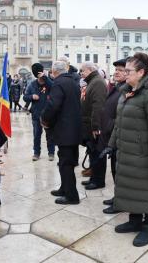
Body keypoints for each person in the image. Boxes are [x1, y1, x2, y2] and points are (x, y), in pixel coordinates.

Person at [109, 53, 148, 247]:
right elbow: (120, 122)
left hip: (143, 154)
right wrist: (111, 144)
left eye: (128, 71)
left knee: (146, 189)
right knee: (129, 188)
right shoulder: (126, 91)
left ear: (141, 72)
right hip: (126, 151)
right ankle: (134, 221)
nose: (124, 74)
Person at [42, 61, 82, 205]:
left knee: (66, 163)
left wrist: (44, 119)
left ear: (54, 72)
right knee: (66, 161)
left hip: (65, 130)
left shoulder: (58, 83)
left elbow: (53, 105)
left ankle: (72, 196)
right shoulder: (73, 82)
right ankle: (64, 188)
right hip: (73, 129)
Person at [100, 58, 128, 214]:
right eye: (116, 69)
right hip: (111, 135)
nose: (116, 72)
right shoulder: (117, 87)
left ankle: (121, 201)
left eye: (121, 69)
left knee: (120, 171)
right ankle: (118, 196)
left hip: (119, 136)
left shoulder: (126, 90)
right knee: (114, 170)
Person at [80, 62, 108, 190]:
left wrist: (95, 127)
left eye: (83, 70)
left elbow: (98, 106)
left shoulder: (97, 82)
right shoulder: (93, 81)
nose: (81, 73)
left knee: (98, 154)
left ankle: (98, 180)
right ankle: (93, 177)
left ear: (90, 70)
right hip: (88, 125)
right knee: (92, 153)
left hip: (94, 127)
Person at [23, 63, 55, 161]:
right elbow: (25, 97)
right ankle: (36, 153)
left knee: (50, 135)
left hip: (48, 114)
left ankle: (51, 153)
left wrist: (46, 78)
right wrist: (31, 97)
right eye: (39, 77)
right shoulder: (32, 84)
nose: (40, 79)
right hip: (36, 114)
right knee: (36, 135)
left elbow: (55, 89)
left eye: (42, 76)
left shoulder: (49, 83)